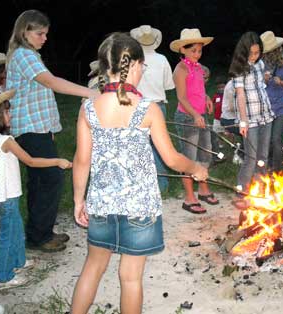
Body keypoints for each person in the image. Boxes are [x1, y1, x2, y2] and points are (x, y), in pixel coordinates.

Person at [71, 32, 208, 313]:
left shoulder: (88, 108)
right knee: (131, 277)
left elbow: (82, 160)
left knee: (93, 266)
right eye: (142, 66)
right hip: (139, 207)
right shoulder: (148, 109)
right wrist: (196, 168)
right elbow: (171, 158)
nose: (143, 70)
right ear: (133, 66)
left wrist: (78, 200)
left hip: (102, 203)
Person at [5, 9, 97, 252]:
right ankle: (40, 236)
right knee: (50, 178)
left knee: (40, 181)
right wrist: (92, 93)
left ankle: (40, 232)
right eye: (40, 33)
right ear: (25, 32)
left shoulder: (30, 54)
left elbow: (40, 95)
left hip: (38, 128)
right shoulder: (24, 55)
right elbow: (52, 83)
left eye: (46, 33)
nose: (45, 38)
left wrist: (51, 129)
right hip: (29, 128)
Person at [0, 90, 72, 289]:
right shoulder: (6, 141)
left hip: (5, 196)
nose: (11, 116)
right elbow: (30, 160)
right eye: (7, 113)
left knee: (17, 228)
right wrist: (57, 161)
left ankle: (19, 262)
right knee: (8, 235)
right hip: (7, 198)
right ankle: (3, 277)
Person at [170, 28, 218, 214]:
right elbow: (182, 97)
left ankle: (203, 189)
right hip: (187, 117)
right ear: (183, 50)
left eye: (199, 50)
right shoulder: (181, 69)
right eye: (193, 51)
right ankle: (189, 198)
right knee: (189, 159)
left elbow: (197, 89)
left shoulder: (197, 67)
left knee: (205, 154)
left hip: (200, 115)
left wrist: (206, 98)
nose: (197, 54)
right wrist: (196, 115)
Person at [229, 31, 274, 201]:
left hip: (265, 115)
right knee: (251, 157)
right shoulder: (238, 68)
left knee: (263, 157)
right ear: (243, 51)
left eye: (257, 52)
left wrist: (266, 78)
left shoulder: (260, 64)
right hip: (249, 119)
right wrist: (243, 121)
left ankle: (259, 191)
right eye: (251, 53)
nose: (254, 56)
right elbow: (240, 94)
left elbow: (260, 87)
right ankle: (241, 192)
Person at [131, 25, 176, 193]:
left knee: (139, 146)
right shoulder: (162, 59)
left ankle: (143, 184)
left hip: (137, 105)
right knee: (159, 145)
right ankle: (161, 185)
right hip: (157, 105)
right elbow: (168, 85)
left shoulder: (133, 60)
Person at [260, 31, 283, 172]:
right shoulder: (259, 62)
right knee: (266, 140)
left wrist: (281, 82)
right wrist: (262, 79)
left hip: (281, 106)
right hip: (265, 107)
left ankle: (277, 171)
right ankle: (266, 169)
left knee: (276, 139)